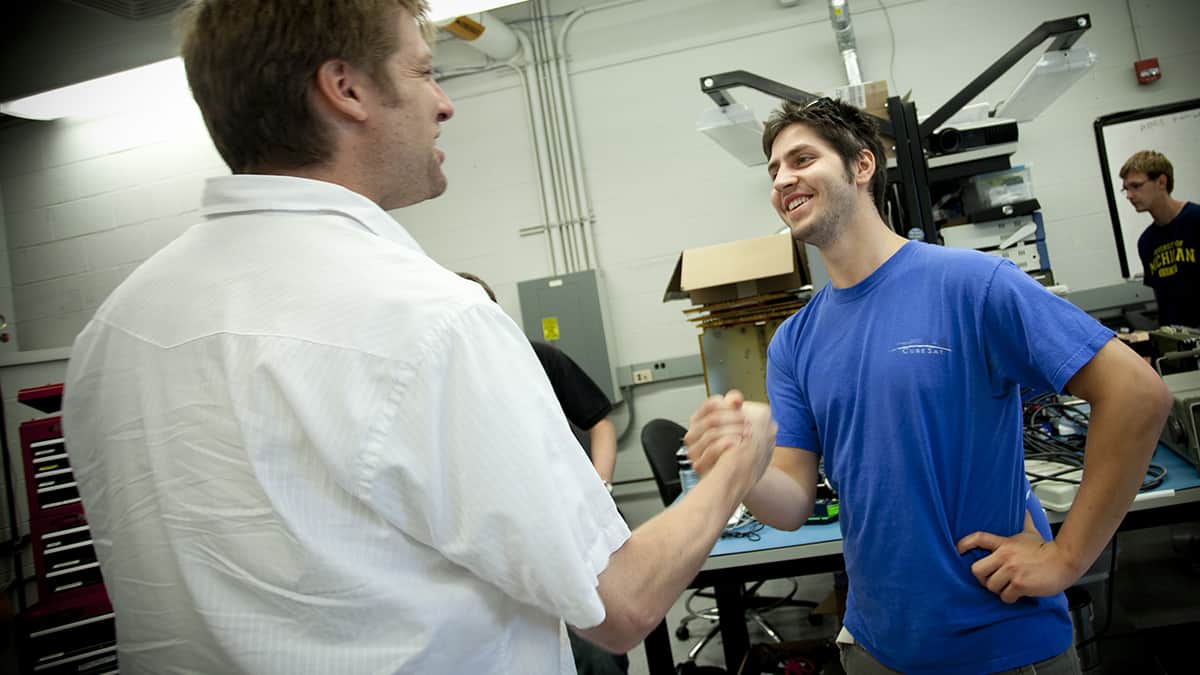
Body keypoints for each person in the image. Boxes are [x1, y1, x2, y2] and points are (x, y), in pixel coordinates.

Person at [61, 2, 776, 673]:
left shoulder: (112, 333)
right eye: (424, 70)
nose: (445, 102)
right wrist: (732, 471)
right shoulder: (432, 318)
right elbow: (618, 604)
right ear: (345, 88)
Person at [685, 98, 1172, 674]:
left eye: (801, 158)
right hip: (877, 645)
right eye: (773, 170)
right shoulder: (794, 340)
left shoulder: (972, 283)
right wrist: (738, 470)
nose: (783, 178)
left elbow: (1139, 394)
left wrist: (1067, 557)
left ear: (861, 166)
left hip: (999, 642)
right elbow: (792, 503)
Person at [457, 272, 626, 675]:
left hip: (567, 526)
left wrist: (600, 487)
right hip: (496, 539)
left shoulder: (537, 358)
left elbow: (600, 423)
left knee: (596, 647)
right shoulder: (443, 376)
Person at [1120, 150, 1199, 328]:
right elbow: (1163, 301)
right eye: (1126, 188)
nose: (1129, 196)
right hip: (1177, 344)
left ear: (1162, 182)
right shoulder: (1147, 242)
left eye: (1136, 186)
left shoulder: (1196, 220)